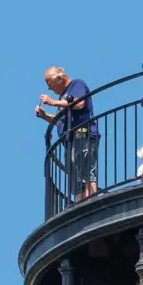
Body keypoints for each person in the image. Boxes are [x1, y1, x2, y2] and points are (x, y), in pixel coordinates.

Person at [36, 66, 99, 200]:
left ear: (58, 78)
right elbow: (61, 120)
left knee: (87, 171)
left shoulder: (76, 84)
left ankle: (91, 201)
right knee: (76, 176)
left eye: (49, 83)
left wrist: (52, 102)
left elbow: (80, 103)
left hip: (82, 132)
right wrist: (45, 115)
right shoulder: (62, 99)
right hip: (70, 139)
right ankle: (80, 204)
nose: (49, 88)